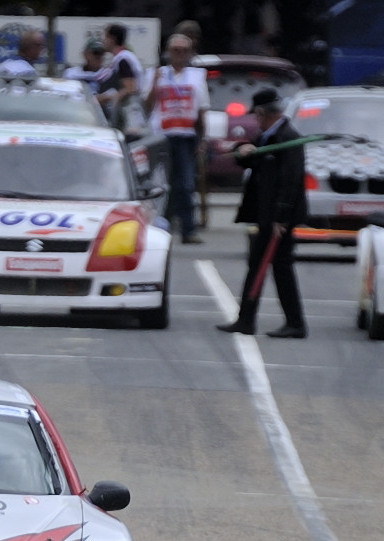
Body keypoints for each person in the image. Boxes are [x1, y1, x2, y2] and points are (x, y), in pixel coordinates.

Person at [217, 88, 308, 338]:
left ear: (261, 113)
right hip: (265, 215)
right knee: (258, 265)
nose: (255, 121)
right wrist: (242, 147)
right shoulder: (267, 136)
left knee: (281, 269)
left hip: (278, 218)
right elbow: (247, 158)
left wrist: (282, 217)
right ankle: (246, 319)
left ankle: (295, 323)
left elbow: (291, 182)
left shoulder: (287, 138)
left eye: (256, 116)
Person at [144, 34, 209, 244]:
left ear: (189, 53)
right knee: (162, 184)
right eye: (175, 50)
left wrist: (202, 139)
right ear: (168, 52)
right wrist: (154, 83)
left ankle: (188, 230)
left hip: (186, 136)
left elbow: (201, 110)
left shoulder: (197, 76)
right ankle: (162, 226)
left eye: (183, 50)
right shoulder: (157, 74)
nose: (179, 55)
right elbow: (146, 106)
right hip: (162, 137)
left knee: (185, 185)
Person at [102, 23, 145, 133]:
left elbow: (130, 87)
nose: (103, 40)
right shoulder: (124, 56)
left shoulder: (123, 59)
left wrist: (111, 100)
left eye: (106, 36)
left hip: (128, 110)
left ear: (113, 39)